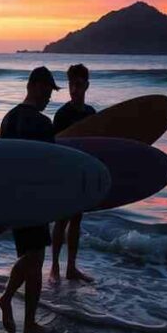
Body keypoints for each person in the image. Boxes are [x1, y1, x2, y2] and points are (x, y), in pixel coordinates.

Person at [0, 66, 59, 333]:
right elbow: (51, 167)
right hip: (34, 199)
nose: (49, 96)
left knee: (31, 258)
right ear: (33, 86)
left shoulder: (7, 119)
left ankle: (28, 322)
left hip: (13, 198)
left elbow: (2, 164)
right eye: (47, 89)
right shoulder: (43, 124)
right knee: (35, 258)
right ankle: (9, 299)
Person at [50, 64, 97, 283]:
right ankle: (54, 267)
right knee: (62, 221)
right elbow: (54, 147)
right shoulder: (62, 114)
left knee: (76, 220)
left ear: (87, 85)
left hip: (83, 173)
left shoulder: (91, 114)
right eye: (71, 84)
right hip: (65, 172)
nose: (74, 89)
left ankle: (71, 267)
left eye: (78, 84)